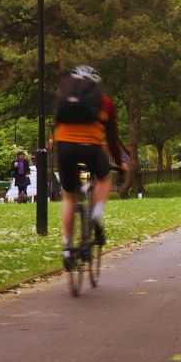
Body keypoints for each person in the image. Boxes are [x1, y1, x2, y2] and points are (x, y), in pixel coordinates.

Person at [54, 66, 128, 269]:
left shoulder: (64, 95)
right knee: (104, 178)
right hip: (91, 148)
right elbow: (112, 138)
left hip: (65, 147)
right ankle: (96, 212)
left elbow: (56, 121)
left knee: (69, 196)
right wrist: (120, 162)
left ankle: (67, 248)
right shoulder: (105, 102)